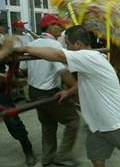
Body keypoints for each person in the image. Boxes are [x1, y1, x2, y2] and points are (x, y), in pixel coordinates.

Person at [16, 25, 120, 167]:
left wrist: (26, 49)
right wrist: (69, 91)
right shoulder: (90, 59)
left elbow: (58, 55)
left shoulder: (88, 56)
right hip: (97, 125)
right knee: (96, 158)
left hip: (116, 123)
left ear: (77, 44)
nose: (66, 48)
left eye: (68, 44)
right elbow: (84, 82)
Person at [26, 14, 80, 166]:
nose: (62, 28)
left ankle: (47, 158)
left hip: (33, 91)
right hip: (47, 92)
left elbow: (25, 69)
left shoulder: (33, 43)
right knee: (73, 120)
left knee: (48, 124)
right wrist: (75, 87)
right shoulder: (54, 45)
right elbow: (62, 72)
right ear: (49, 26)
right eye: (58, 25)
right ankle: (62, 156)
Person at [0, 37, 38, 166]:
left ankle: (28, 151)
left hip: (2, 95)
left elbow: (10, 64)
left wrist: (14, 78)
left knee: (14, 123)